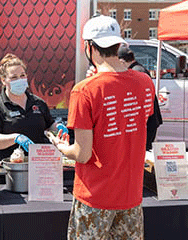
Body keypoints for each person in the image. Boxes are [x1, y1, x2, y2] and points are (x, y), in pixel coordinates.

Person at [51, 15, 155, 239]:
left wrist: (61, 147)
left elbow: (82, 153)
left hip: (95, 196)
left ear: (89, 47)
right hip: (131, 196)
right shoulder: (145, 82)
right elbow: (135, 126)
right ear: (118, 44)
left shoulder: (84, 90)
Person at [0, 53, 61, 160]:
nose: (19, 80)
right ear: (3, 80)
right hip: (9, 167)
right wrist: (15, 138)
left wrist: (58, 128)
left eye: (22, 75)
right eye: (14, 77)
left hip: (39, 164)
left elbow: (49, 125)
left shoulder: (38, 103)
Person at [118, 44, 163, 151]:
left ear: (122, 61)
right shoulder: (139, 69)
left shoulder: (137, 72)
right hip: (148, 122)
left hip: (146, 123)